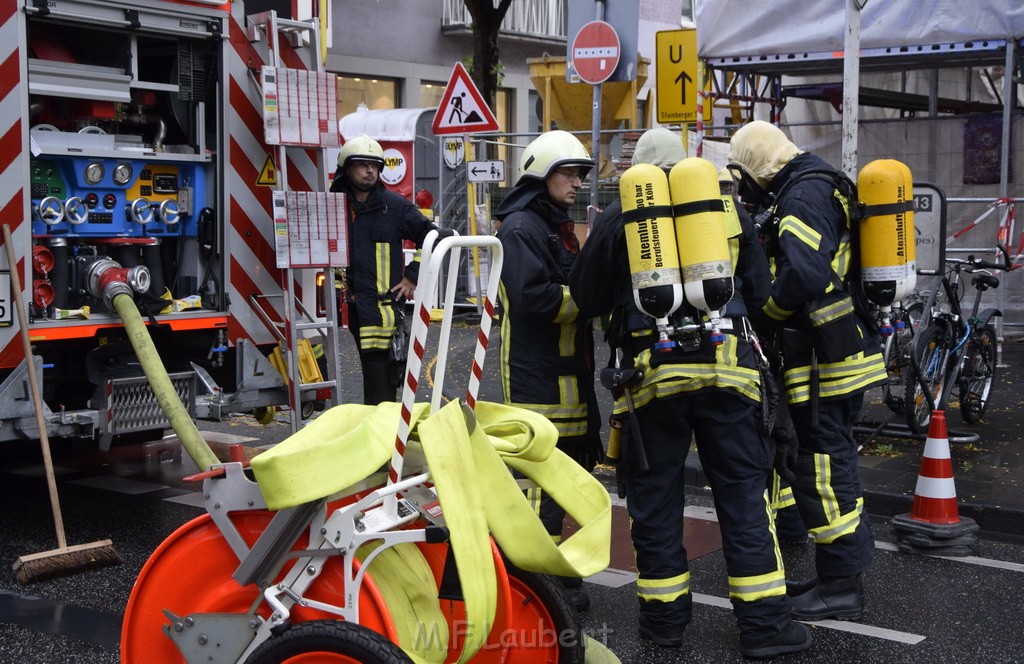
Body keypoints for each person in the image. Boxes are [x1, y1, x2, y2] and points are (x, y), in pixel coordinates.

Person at [568, 127, 812, 658]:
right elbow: (763, 290)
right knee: (745, 497)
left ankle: (663, 626)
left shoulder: (621, 220)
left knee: (655, 501)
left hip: (651, 382)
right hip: (732, 376)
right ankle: (766, 629)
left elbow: (585, 297)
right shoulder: (725, 210)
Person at [727, 120, 888, 621]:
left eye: (740, 176)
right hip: (832, 354)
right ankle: (835, 576)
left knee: (825, 468)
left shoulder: (802, 196)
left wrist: (766, 316)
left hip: (824, 361)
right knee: (827, 463)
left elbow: (804, 272)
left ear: (756, 168)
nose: (741, 188)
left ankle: (842, 585)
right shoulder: (818, 184)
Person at [494, 130, 603, 612]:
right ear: (541, 173)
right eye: (570, 172)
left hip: (564, 374)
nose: (578, 182)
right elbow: (534, 297)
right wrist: (589, 299)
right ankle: (538, 585)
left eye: (581, 174)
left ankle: (550, 573)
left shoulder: (549, 225)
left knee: (561, 477)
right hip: (537, 378)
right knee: (541, 484)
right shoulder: (521, 227)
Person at [330, 134, 438, 405]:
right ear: (346, 168)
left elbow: (434, 238)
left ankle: (384, 436)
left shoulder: (395, 206)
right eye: (362, 165)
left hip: (382, 308)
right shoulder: (332, 205)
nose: (370, 171)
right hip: (341, 306)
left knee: (381, 382)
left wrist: (412, 276)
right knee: (341, 374)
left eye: (375, 166)